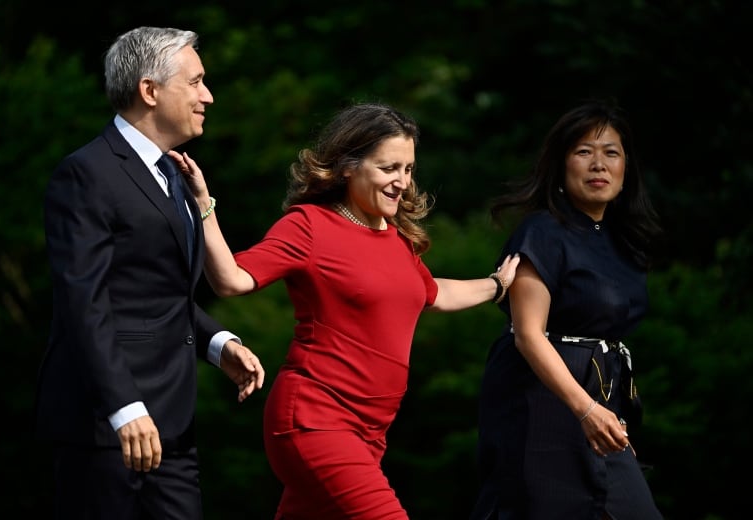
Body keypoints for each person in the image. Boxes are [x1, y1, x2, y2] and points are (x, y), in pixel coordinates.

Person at [168, 102, 520, 519]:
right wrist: (204, 205)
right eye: (389, 168)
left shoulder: (397, 238)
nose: (402, 183)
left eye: (408, 170)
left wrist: (497, 285)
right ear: (349, 167)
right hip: (315, 420)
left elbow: (433, 292)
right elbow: (232, 279)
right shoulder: (310, 225)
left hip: (371, 432)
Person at [35, 26, 265, 519]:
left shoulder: (175, 174)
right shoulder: (86, 174)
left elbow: (157, 291)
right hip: (105, 426)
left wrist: (218, 343)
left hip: (172, 426)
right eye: (196, 81)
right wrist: (124, 408)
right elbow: (85, 302)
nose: (208, 95)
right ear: (149, 90)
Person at [469, 99, 663, 519]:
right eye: (583, 152)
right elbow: (527, 333)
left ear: (626, 168)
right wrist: (586, 409)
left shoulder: (624, 242)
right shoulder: (542, 231)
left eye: (611, 152)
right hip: (541, 402)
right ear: (561, 165)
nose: (599, 164)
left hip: (601, 398)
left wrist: (600, 406)